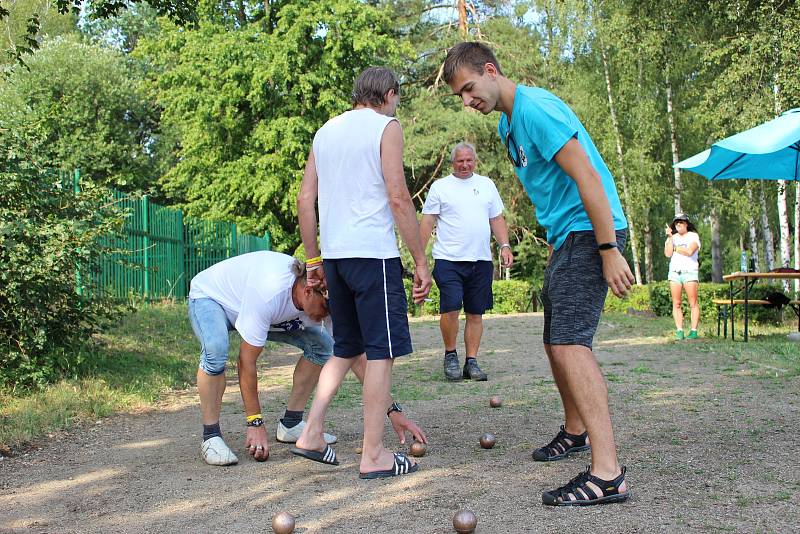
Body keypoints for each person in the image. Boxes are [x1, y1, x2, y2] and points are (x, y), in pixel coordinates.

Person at [443, 42, 634, 506]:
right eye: (461, 97)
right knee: (554, 340)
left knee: (571, 343)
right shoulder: (510, 123)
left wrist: (608, 249)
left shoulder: (536, 110)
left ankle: (608, 474)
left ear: (491, 70)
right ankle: (576, 431)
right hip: (567, 237)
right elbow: (554, 187)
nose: (469, 102)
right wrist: (555, 242)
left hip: (592, 232)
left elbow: (586, 176)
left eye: (470, 89)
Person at [294, 66, 432, 479]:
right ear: (389, 94)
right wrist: (421, 259)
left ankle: (312, 432)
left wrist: (315, 260)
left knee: (346, 348)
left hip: (335, 258)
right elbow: (397, 195)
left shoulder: (325, 131)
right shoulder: (386, 127)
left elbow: (305, 199)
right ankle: (374, 454)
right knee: (380, 354)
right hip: (373, 256)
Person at [189, 250, 425, 466]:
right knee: (216, 351)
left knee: (324, 346)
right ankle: (211, 436)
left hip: (255, 310)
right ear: (307, 291)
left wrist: (393, 410)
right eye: (324, 308)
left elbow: (354, 356)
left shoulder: (323, 299)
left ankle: (291, 423)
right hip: (213, 299)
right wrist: (255, 423)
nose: (326, 316)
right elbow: (246, 361)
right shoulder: (269, 292)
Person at [420, 142, 513, 382]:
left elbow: (497, 219)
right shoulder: (441, 187)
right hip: (448, 259)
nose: (464, 165)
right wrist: (419, 258)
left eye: (468, 160)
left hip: (480, 260)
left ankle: (471, 361)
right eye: (460, 161)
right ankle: (450, 355)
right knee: (450, 307)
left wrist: (504, 245)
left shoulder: (486, 185)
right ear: (453, 162)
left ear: (475, 161)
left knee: (475, 313)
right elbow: (427, 222)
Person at [664, 213, 701, 339]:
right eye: (676, 222)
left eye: (681, 222)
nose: (678, 224)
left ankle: (693, 330)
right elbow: (668, 254)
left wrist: (676, 249)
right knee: (677, 303)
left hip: (689, 272)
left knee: (693, 302)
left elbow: (690, 251)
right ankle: (679, 330)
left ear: (686, 224)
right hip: (675, 273)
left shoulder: (693, 236)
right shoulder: (672, 237)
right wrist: (670, 238)